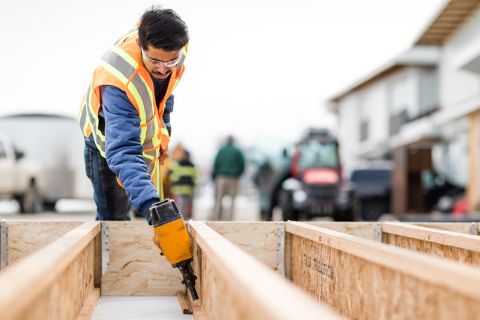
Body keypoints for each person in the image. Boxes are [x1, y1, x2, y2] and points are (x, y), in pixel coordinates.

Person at [78, 7, 189, 223]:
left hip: (132, 142)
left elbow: (164, 98)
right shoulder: (118, 81)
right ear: (141, 45)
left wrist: (163, 140)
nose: (164, 70)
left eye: (170, 62)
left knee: (142, 200)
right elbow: (123, 150)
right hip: (105, 144)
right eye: (155, 61)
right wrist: (152, 206)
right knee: (114, 220)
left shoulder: (176, 53)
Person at [211, 136, 245, 220]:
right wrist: (237, 174)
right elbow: (242, 164)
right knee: (232, 201)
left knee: (218, 200)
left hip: (221, 177)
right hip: (233, 178)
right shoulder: (237, 151)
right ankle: (230, 220)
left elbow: (216, 163)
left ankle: (216, 219)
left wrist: (215, 176)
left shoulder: (221, 150)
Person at [168, 149, 197, 219]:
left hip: (179, 190)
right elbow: (194, 178)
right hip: (185, 190)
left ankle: (181, 221)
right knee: (184, 208)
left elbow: (171, 177)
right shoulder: (192, 166)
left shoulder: (175, 165)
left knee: (180, 208)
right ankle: (183, 220)